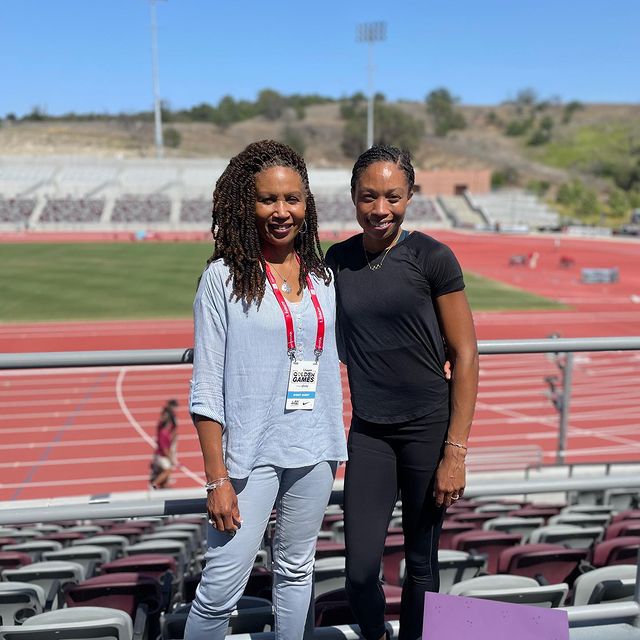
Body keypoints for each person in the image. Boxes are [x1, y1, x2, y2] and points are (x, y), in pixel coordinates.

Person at [184, 140, 347, 640]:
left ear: (307, 204)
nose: (282, 212)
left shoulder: (323, 276)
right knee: (219, 590)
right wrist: (216, 480)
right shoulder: (222, 279)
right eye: (268, 200)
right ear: (245, 205)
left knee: (297, 572)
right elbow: (207, 384)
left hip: (315, 446)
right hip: (248, 458)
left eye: (293, 199)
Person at [326, 145, 479, 640]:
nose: (380, 209)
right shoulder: (337, 261)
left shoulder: (432, 257)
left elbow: (467, 353)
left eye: (393, 196)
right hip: (369, 432)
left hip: (427, 430)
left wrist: (454, 450)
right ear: (353, 197)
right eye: (368, 196)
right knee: (359, 573)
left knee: (420, 564)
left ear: (410, 195)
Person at [149, 399, 179, 489]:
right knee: (168, 470)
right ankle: (154, 484)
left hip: (161, 453)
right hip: (161, 456)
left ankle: (164, 486)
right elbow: (165, 449)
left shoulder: (164, 431)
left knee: (165, 476)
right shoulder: (164, 433)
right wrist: (171, 459)